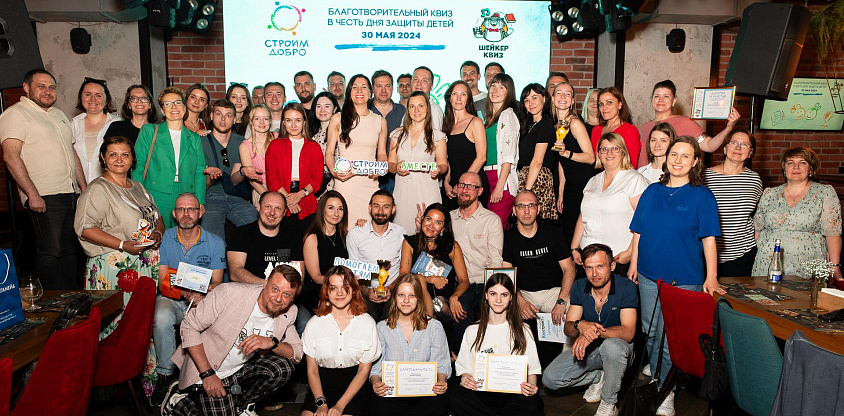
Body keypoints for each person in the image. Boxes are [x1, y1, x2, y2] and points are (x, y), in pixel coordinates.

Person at [629, 136, 722, 416]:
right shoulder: (652, 191)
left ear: (695, 162)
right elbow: (638, 231)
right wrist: (634, 263)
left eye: (685, 156)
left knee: (672, 337)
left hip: (684, 278)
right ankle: (662, 376)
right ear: (666, 158)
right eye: (674, 154)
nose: (678, 160)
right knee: (651, 331)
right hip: (648, 275)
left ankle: (666, 391)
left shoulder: (702, 195)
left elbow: (709, 239)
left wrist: (711, 277)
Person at [74, 135, 164, 394]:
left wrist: (158, 233)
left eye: (125, 154)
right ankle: (110, 391)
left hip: (142, 266)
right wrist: (122, 244)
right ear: (103, 158)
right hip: (113, 269)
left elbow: (156, 217)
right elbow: (84, 228)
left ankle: (140, 385)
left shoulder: (138, 187)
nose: (119, 160)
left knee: (138, 326)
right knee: (116, 326)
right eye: (112, 154)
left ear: (132, 159)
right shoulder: (98, 189)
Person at [160, 265, 303, 416]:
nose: (279, 298)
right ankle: (179, 403)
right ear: (265, 283)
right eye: (275, 289)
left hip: (240, 369)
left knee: (283, 368)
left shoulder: (289, 311)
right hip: (207, 369)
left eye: (287, 294)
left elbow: (297, 353)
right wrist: (208, 374)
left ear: (293, 297)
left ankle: (242, 406)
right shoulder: (229, 293)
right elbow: (189, 326)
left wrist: (273, 343)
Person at [0, 69, 87, 289]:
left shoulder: (59, 114)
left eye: (51, 87)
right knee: (51, 252)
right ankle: (53, 300)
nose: (47, 91)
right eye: (41, 86)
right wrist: (32, 194)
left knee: (70, 251)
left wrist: (84, 188)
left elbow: (72, 153)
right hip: (45, 196)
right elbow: (11, 156)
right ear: (26, 88)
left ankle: (71, 298)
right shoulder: (16, 114)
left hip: (70, 194)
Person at [542, 244, 638, 416]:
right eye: (589, 268)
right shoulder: (579, 287)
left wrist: (594, 332)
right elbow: (568, 328)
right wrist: (579, 325)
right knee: (550, 379)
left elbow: (629, 332)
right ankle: (599, 377)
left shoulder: (626, 287)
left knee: (612, 346)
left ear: (612, 266)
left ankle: (609, 402)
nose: (594, 274)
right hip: (592, 349)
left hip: (619, 350)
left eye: (600, 266)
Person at [151, 193, 226, 405]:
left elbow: (217, 282)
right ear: (174, 214)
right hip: (172, 298)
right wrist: (188, 293)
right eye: (181, 209)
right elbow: (162, 281)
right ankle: (165, 375)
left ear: (200, 213)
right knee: (161, 315)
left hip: (203, 300)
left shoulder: (215, 242)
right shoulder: (165, 238)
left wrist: (200, 295)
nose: (186, 214)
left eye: (191, 209)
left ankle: (203, 375)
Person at [450, 273, 544, 416]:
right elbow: (465, 369)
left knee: (534, 403)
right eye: (493, 294)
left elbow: (532, 370)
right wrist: (466, 378)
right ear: (486, 296)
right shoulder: (472, 331)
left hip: (513, 396)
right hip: (481, 395)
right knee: (455, 394)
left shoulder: (523, 330)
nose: (498, 300)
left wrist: (531, 387)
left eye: (504, 295)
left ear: (511, 297)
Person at [752, 146, 842, 282]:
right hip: (767, 263)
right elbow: (757, 230)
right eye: (790, 163)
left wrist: (835, 267)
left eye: (802, 162)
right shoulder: (769, 193)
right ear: (784, 168)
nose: (796, 167)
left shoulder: (824, 193)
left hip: (808, 266)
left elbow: (833, 233)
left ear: (811, 169)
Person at [300, 266, 380, 416]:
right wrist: (321, 403)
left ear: (354, 290)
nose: (340, 293)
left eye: (345, 287)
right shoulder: (314, 324)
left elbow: (363, 371)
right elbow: (312, 370)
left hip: (354, 390)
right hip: (320, 390)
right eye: (333, 288)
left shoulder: (367, 323)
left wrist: (340, 406)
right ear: (326, 292)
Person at [369, 274, 451, 416]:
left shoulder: (434, 327)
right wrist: (376, 383)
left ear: (418, 298)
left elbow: (441, 363)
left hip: (425, 392)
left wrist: (441, 382)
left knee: (439, 403)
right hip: (393, 394)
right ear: (395, 297)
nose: (406, 300)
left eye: (411, 296)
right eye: (401, 295)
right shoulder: (382, 327)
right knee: (377, 405)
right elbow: (376, 368)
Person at [572, 133, 649, 278]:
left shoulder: (634, 180)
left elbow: (645, 221)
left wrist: (630, 253)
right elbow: (583, 216)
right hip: (589, 257)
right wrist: (574, 247)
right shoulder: (593, 181)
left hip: (618, 258)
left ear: (623, 152)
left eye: (615, 148)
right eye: (604, 149)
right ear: (598, 154)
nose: (609, 153)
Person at [132, 86, 206, 228]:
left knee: (183, 236)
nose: (174, 107)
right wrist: (139, 197)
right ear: (162, 110)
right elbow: (138, 165)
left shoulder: (194, 138)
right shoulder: (150, 131)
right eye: (167, 104)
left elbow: (199, 171)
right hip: (156, 193)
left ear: (184, 107)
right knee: (157, 234)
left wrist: (200, 201)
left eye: (178, 102)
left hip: (186, 194)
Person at [400, 203, 470, 351]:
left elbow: (464, 281)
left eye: (438, 222)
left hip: (443, 304)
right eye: (429, 219)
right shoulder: (410, 243)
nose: (431, 225)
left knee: (442, 305)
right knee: (419, 281)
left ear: (443, 228)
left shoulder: (452, 246)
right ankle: (429, 330)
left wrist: (455, 296)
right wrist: (429, 279)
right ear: (422, 220)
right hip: (416, 300)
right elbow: (404, 276)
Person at [503, 190, 575, 327]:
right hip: (524, 293)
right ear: (514, 210)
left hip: (553, 292)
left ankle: (570, 343)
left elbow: (569, 269)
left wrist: (561, 301)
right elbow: (506, 275)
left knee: (575, 308)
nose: (526, 211)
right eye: (521, 206)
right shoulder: (507, 238)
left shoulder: (553, 232)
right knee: (502, 306)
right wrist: (520, 301)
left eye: (531, 205)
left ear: (538, 209)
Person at [325, 74, 388, 224]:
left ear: (370, 92)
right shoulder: (337, 118)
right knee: (344, 228)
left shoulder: (380, 121)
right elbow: (329, 153)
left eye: (364, 87)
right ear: (349, 92)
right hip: (345, 183)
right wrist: (334, 172)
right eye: (355, 87)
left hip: (370, 184)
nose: (359, 91)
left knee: (369, 230)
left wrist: (381, 168)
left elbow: (382, 154)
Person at [637, 80, 740, 168]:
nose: (661, 100)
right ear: (651, 100)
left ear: (674, 101)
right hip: (643, 178)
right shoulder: (644, 127)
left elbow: (709, 145)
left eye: (666, 96)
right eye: (657, 96)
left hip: (670, 179)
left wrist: (728, 127)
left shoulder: (685, 123)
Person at [450, 172, 504, 342]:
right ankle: (461, 356)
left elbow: (495, 260)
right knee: (460, 312)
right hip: (461, 284)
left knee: (492, 319)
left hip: (485, 283)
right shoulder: (449, 219)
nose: (464, 190)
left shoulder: (491, 220)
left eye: (471, 187)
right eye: (461, 185)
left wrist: (492, 292)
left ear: (480, 191)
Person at [705, 129, 763, 277]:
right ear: (725, 148)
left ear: (750, 153)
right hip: (707, 253)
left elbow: (758, 214)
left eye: (744, 144)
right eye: (734, 143)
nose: (738, 147)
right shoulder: (704, 176)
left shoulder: (754, 180)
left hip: (742, 255)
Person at [388, 91, 447, 232]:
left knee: (428, 232)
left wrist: (438, 169)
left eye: (420, 106)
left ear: (427, 108)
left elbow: (444, 164)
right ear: (408, 109)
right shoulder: (397, 135)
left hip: (427, 191)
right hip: (403, 192)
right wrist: (396, 167)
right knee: (402, 233)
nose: (416, 110)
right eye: (412, 106)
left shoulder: (437, 136)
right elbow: (390, 164)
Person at [199, 98, 256, 241]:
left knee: (255, 224)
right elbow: (200, 185)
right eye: (219, 114)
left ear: (235, 119)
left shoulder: (240, 142)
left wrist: (243, 171)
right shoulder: (200, 141)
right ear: (211, 116)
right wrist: (210, 177)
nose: (223, 119)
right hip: (210, 197)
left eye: (228, 115)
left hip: (235, 196)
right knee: (214, 240)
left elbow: (234, 181)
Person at [265, 102, 323, 240]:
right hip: (281, 197)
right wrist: (288, 199)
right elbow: (272, 177)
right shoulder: (275, 145)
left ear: (304, 122)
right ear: (283, 123)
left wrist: (300, 195)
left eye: (297, 120)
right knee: (283, 243)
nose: (293, 125)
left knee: (306, 241)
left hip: (306, 199)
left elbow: (317, 179)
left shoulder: (314, 147)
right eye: (288, 120)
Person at [346, 190, 406, 320]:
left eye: (386, 207)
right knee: (366, 321)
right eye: (376, 206)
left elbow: (404, 271)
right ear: (369, 208)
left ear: (393, 209)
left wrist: (391, 288)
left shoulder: (401, 234)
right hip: (364, 292)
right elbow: (353, 273)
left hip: (394, 292)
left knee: (392, 322)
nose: (380, 211)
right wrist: (367, 291)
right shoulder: (355, 234)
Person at [227, 192, 304, 285]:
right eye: (268, 206)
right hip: (249, 290)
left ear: (284, 212)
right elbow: (235, 273)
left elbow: (298, 278)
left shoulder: (293, 237)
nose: (272, 213)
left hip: (283, 292)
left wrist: (279, 290)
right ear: (258, 207)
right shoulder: (241, 234)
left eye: (278, 208)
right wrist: (269, 286)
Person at [552, 82, 596, 242]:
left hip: (582, 183)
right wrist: (561, 192)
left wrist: (567, 153)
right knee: (568, 232)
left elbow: (590, 157)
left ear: (572, 101)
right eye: (559, 93)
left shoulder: (575, 123)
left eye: (567, 94)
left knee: (578, 233)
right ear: (553, 98)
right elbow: (561, 162)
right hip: (570, 185)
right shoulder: (557, 124)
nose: (563, 97)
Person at [442, 80, 487, 211]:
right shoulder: (446, 125)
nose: (458, 98)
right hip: (452, 186)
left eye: (463, 94)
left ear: (468, 99)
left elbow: (481, 158)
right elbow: (448, 158)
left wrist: (462, 184)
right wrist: (446, 182)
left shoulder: (475, 122)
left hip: (472, 185)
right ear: (449, 98)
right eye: (454, 94)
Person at [302, 190, 350, 314]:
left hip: (341, 287)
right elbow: (316, 276)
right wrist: (338, 283)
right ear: (322, 209)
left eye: (340, 209)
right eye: (331, 208)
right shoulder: (312, 238)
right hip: (318, 289)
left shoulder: (345, 235)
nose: (336, 213)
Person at [483, 73, 520, 228]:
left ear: (508, 92)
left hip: (500, 178)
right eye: (493, 86)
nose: (495, 90)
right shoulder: (489, 118)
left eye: (501, 87)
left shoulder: (507, 116)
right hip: (487, 176)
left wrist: (500, 186)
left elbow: (509, 156)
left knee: (495, 229)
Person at [517, 83, 557, 221]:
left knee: (537, 223)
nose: (530, 103)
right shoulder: (527, 124)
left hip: (538, 178)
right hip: (526, 177)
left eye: (534, 97)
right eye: (526, 100)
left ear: (544, 98)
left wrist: (527, 190)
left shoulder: (545, 123)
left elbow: (538, 161)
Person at [72, 77, 120, 184]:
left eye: (98, 95)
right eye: (87, 94)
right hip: (79, 188)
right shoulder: (73, 125)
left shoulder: (118, 125)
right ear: (81, 97)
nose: (93, 99)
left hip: (109, 186)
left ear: (106, 100)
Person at [371, 69, 406, 193]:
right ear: (372, 88)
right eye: (379, 86)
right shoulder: (365, 111)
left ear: (393, 88)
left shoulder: (403, 111)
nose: (383, 90)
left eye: (387, 86)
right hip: (370, 172)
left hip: (395, 174)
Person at [590, 87, 640, 167]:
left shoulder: (629, 130)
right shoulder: (596, 130)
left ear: (620, 105)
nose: (604, 107)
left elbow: (632, 164)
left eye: (609, 102)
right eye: (601, 104)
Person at [307, 92, 340, 196]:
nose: (322, 110)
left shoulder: (340, 133)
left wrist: (327, 193)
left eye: (327, 106)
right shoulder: (311, 135)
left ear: (335, 109)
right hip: (313, 186)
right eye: (318, 106)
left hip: (334, 185)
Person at [239, 105, 273, 206]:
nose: (262, 122)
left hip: (281, 188)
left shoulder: (277, 138)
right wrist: (267, 195)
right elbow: (252, 178)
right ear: (251, 121)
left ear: (270, 121)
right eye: (257, 119)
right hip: (260, 191)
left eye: (265, 119)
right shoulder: (245, 146)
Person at [411, 66, 444, 131]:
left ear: (431, 86)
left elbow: (436, 136)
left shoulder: (434, 110)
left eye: (424, 81)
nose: (419, 83)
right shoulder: (409, 108)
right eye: (416, 79)